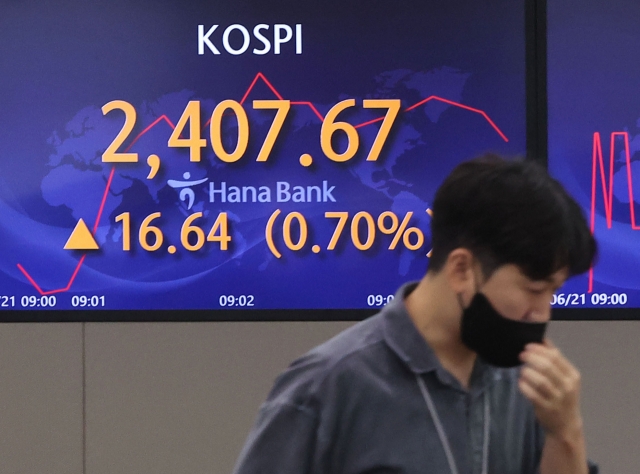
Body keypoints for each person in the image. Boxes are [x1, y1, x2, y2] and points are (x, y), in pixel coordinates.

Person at [232, 156, 598, 474]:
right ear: (461, 270)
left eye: (554, 291)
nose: (542, 313)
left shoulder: (527, 388)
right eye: (534, 290)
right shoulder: (329, 386)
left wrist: (566, 432)